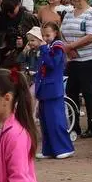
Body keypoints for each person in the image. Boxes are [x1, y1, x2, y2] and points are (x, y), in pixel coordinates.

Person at [61, 0, 92, 138]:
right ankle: (74, 126)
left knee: (88, 92)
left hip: (88, 58)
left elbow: (91, 36)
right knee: (71, 92)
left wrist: (71, 47)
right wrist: (69, 49)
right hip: (72, 60)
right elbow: (62, 32)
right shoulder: (69, 13)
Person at [29, 23, 74, 160]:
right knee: (45, 122)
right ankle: (48, 149)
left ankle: (64, 147)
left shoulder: (57, 47)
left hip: (53, 89)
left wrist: (43, 48)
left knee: (56, 120)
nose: (45, 38)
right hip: (44, 89)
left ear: (55, 33)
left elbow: (52, 64)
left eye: (48, 35)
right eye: (43, 35)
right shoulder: (47, 48)